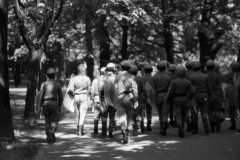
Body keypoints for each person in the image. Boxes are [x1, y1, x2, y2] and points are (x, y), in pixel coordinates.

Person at [113, 60, 138, 144]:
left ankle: (124, 133)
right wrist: (136, 99)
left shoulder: (117, 76)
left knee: (121, 116)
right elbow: (135, 89)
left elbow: (115, 88)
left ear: (121, 67)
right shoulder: (131, 77)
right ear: (129, 68)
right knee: (130, 116)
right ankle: (128, 131)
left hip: (120, 98)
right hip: (129, 98)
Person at [39, 68, 63, 143]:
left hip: (46, 104)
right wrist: (59, 105)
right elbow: (61, 97)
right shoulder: (57, 85)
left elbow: (40, 96)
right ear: (54, 75)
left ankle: (48, 137)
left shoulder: (43, 84)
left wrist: (40, 105)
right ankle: (52, 130)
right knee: (55, 120)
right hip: (54, 105)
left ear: (47, 75)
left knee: (47, 121)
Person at [68, 61, 91, 136]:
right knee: (83, 114)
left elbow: (70, 90)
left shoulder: (73, 79)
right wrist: (88, 97)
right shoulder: (87, 79)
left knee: (77, 114)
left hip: (76, 96)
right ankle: (80, 131)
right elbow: (89, 89)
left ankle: (78, 129)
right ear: (83, 70)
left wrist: (73, 95)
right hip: (84, 96)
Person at [169, 66, 192, 138]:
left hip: (176, 100)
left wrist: (171, 99)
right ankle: (182, 129)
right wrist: (189, 98)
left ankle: (181, 128)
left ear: (177, 73)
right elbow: (191, 92)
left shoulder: (174, 82)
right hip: (185, 99)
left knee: (178, 116)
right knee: (183, 116)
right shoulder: (188, 82)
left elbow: (171, 92)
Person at [189, 61, 210, 135]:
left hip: (195, 97)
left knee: (194, 113)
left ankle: (195, 130)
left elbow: (190, 88)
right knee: (204, 112)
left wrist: (190, 96)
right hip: (204, 96)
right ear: (200, 67)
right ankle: (206, 129)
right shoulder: (205, 76)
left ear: (193, 68)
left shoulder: (191, 77)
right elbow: (208, 88)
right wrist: (208, 97)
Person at [153, 61, 171, 136]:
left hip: (158, 95)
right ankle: (164, 126)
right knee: (165, 113)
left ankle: (162, 128)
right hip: (166, 95)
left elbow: (153, 88)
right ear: (165, 67)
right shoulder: (169, 77)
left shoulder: (155, 77)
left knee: (160, 113)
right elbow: (171, 87)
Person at [205, 60, 224, 133]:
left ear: (207, 66)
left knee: (209, 110)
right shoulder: (217, 75)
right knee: (217, 109)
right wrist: (222, 96)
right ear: (213, 67)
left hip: (207, 95)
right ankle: (218, 121)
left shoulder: (204, 75)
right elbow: (220, 87)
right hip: (216, 94)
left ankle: (212, 126)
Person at [129, 65, 147, 136]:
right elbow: (144, 90)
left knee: (132, 114)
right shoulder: (140, 79)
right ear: (137, 72)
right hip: (139, 97)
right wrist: (146, 98)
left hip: (130, 98)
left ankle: (134, 129)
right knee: (139, 113)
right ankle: (139, 126)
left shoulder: (127, 79)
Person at [91, 67, 107, 136]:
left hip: (96, 99)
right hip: (104, 100)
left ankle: (95, 130)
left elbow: (92, 92)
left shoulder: (95, 81)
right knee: (104, 116)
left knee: (96, 115)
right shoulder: (107, 80)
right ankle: (104, 132)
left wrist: (93, 100)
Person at [103, 63, 117, 138]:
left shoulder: (103, 78)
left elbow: (100, 89)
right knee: (112, 116)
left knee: (104, 115)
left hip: (104, 99)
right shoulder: (116, 78)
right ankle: (110, 132)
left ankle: (104, 132)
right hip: (113, 100)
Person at [142, 63, 155, 131]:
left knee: (142, 110)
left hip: (143, 96)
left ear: (144, 70)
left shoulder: (142, 78)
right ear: (151, 70)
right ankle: (149, 125)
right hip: (151, 96)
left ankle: (142, 125)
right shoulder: (153, 78)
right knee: (149, 110)